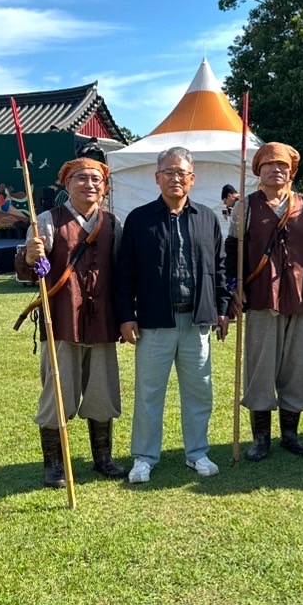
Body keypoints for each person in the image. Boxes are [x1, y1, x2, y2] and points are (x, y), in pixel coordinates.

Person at [115, 147, 231, 484]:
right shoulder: (139, 219)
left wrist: (222, 309)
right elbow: (125, 273)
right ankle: (144, 457)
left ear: (192, 179)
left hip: (197, 322)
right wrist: (126, 315)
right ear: (157, 177)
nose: (175, 178)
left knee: (199, 391)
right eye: (168, 172)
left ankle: (197, 453)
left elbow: (220, 269)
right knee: (150, 393)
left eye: (181, 172)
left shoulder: (207, 218)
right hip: (155, 321)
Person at [18, 157, 127, 488]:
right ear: (66, 185)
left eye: (96, 179)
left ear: (105, 187)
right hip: (62, 320)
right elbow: (28, 273)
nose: (89, 184)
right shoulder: (48, 222)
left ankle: (103, 457)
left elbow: (122, 272)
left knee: (102, 392)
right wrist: (29, 255)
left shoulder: (113, 223)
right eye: (81, 178)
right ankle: (54, 463)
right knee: (59, 393)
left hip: (103, 321)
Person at [225, 143, 303, 461]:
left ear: (291, 171)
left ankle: (290, 435)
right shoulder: (246, 206)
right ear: (259, 170)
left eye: (282, 165)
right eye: (269, 164)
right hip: (261, 297)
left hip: (299, 295)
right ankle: (261, 439)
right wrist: (234, 286)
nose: (276, 170)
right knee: (260, 368)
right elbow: (232, 248)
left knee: (296, 367)